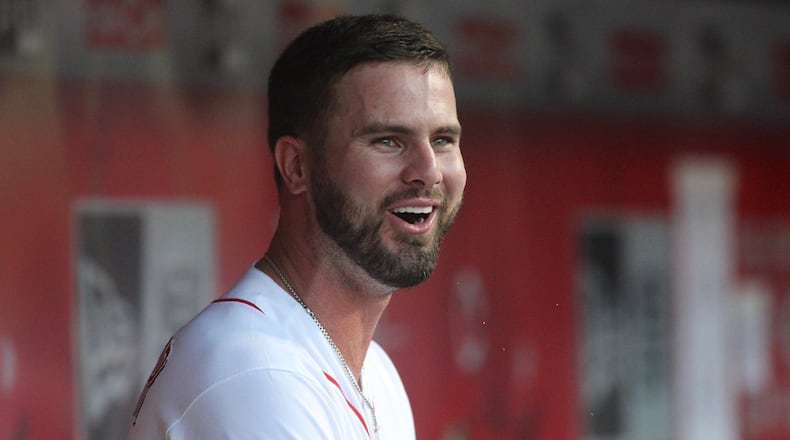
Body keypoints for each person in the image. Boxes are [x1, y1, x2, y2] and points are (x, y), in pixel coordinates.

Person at [128, 13, 466, 439]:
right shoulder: (254, 371)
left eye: (443, 140)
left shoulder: (376, 374)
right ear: (296, 166)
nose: (428, 171)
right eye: (388, 141)